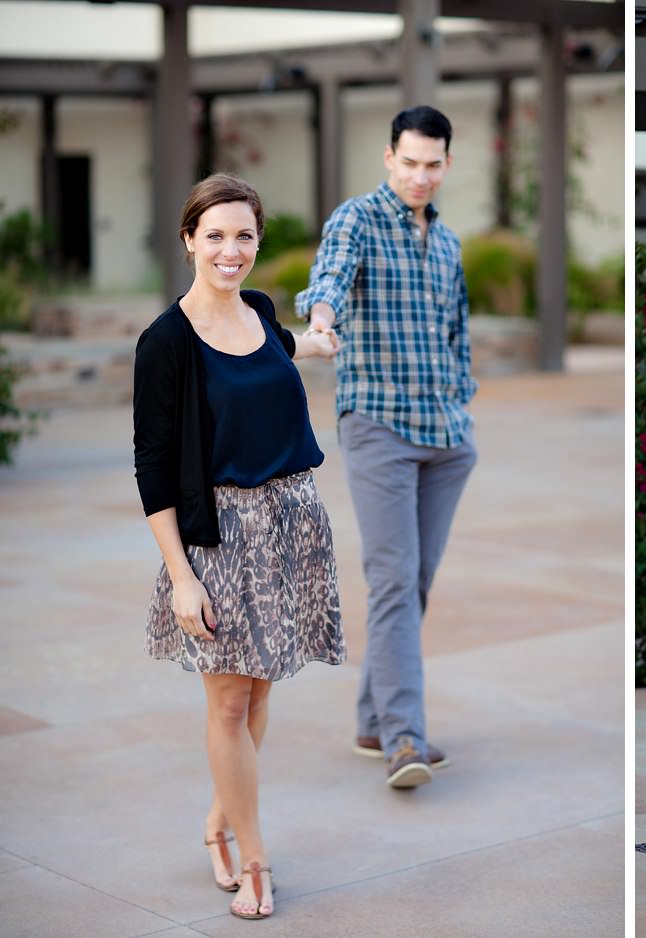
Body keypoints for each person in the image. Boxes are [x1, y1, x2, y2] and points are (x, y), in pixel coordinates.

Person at [133, 174, 343, 920]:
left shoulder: (258, 310)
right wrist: (181, 576)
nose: (231, 250)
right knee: (227, 703)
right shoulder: (165, 343)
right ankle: (255, 861)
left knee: (258, 691)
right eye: (215, 235)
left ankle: (220, 822)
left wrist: (314, 344)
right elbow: (152, 468)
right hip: (218, 538)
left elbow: (277, 352)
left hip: (289, 524)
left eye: (244, 236)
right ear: (189, 238)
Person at [296, 104, 477, 790]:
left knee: (412, 583)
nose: (420, 176)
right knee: (395, 580)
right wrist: (320, 318)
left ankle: (373, 719)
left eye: (433, 165)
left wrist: (463, 395)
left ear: (447, 165)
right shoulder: (357, 219)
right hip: (379, 426)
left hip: (446, 437)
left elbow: (458, 327)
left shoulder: (450, 242)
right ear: (388, 157)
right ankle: (404, 737)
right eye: (409, 162)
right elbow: (332, 276)